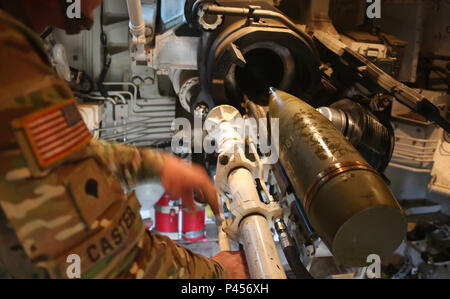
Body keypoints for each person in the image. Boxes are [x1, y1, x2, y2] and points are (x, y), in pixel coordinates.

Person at [0, 0, 249, 279]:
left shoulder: (13, 47)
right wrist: (216, 275)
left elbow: (64, 154)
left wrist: (155, 165)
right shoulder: (11, 65)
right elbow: (96, 256)